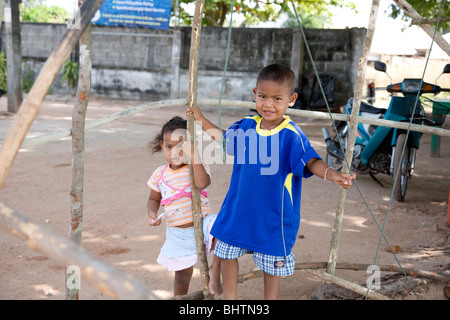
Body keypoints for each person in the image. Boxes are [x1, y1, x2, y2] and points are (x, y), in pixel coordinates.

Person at [187, 64, 355, 300]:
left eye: (277, 98)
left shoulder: (291, 135)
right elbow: (225, 140)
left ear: (291, 99)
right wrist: (202, 120)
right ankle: (230, 300)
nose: (268, 104)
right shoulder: (246, 125)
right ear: (254, 93)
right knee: (226, 253)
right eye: (263, 96)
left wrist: (334, 174)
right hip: (239, 211)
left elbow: (311, 161)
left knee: (271, 267)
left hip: (274, 218)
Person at [146, 116, 221, 297]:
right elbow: (154, 199)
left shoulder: (197, 166)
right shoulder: (159, 174)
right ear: (161, 146)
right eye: (169, 146)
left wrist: (195, 158)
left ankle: (215, 270)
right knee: (182, 275)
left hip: (202, 222)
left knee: (222, 227)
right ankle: (180, 299)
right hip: (178, 233)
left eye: (181, 146)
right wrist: (151, 213)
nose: (174, 151)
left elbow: (202, 184)